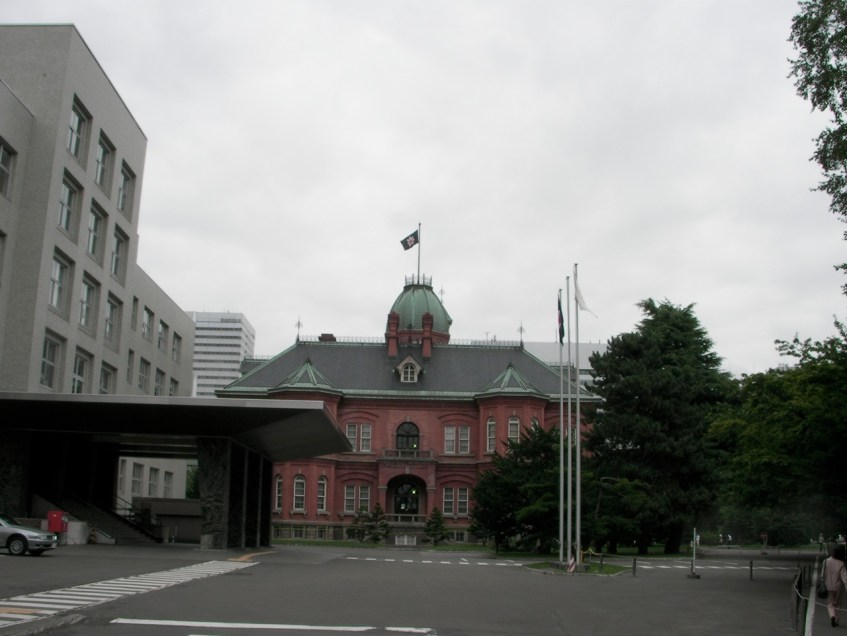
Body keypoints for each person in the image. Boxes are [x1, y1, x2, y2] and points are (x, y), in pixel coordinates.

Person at [823, 543, 847, 627]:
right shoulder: (841, 563)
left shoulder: (826, 561)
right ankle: (836, 619)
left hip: (828, 585)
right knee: (837, 603)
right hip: (838, 587)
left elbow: (822, 574)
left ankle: (832, 616)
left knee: (830, 603)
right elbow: (844, 577)